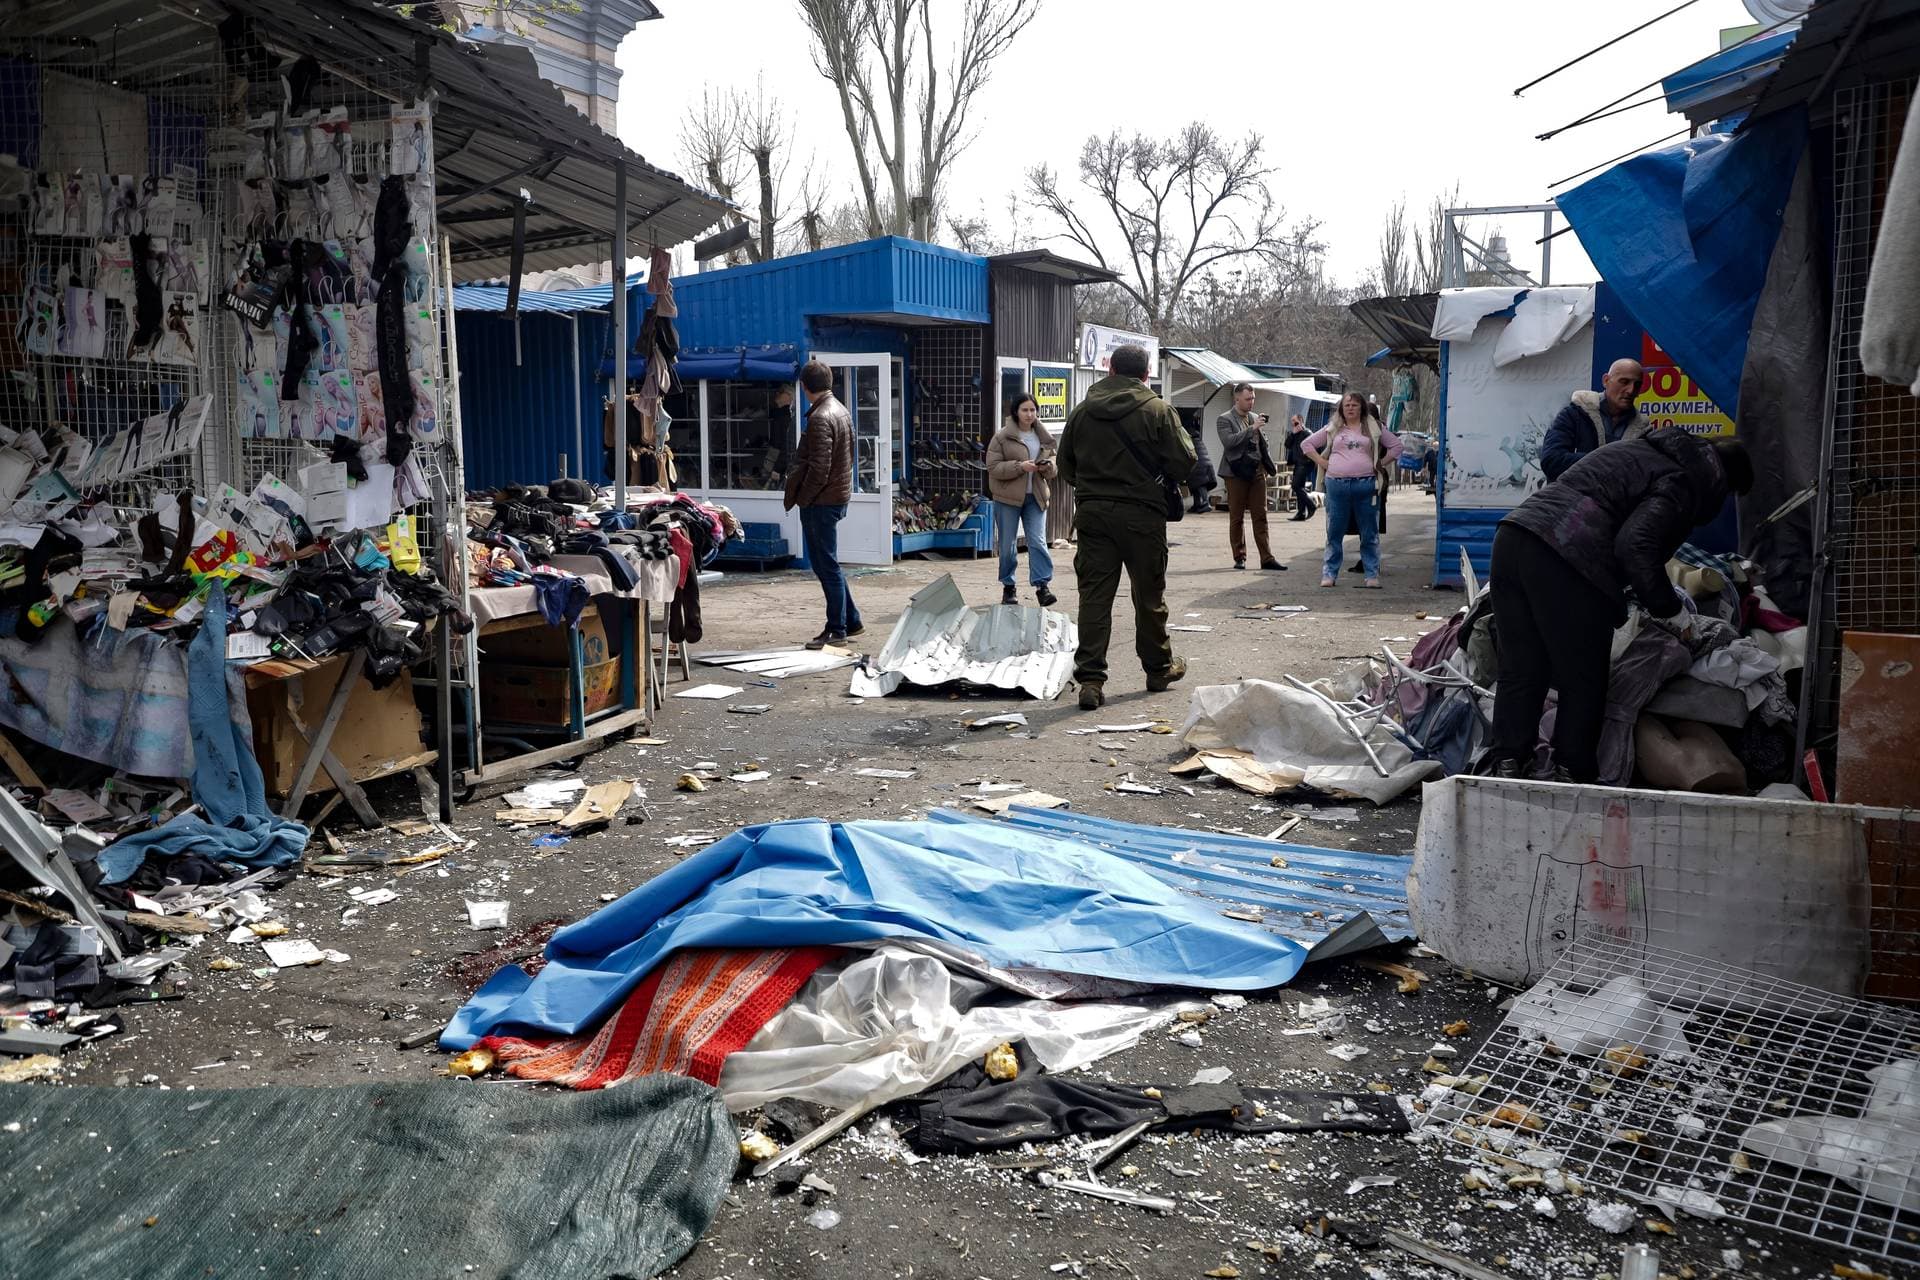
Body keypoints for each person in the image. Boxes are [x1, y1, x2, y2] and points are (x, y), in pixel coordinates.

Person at [1487, 429, 1754, 782]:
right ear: (1723, 480)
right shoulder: (1683, 481)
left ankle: (1507, 762)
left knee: (1522, 666)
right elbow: (1636, 546)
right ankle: (1572, 771)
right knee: (1582, 677)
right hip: (1567, 553)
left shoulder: (1645, 450)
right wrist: (1671, 610)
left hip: (1514, 537)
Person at [1056, 343, 1196, 711]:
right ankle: (1158, 669)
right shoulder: (1158, 410)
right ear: (1146, 375)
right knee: (1148, 596)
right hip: (1143, 517)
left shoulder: (1083, 412)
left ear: (1110, 371)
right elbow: (1185, 462)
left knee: (1095, 598)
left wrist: (1096, 488)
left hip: (1093, 515)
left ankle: (1090, 680)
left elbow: (1065, 466)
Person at [784, 360, 864, 650]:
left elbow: (819, 468)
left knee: (825, 564)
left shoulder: (820, 417)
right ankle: (851, 620)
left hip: (821, 501)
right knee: (830, 563)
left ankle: (837, 628)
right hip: (836, 496)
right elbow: (849, 455)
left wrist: (803, 498)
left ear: (804, 387)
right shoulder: (840, 410)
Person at [1303, 392, 1401, 588]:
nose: (1350, 408)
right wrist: (1322, 461)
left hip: (1366, 485)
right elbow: (1307, 444)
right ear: (1341, 408)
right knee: (1334, 531)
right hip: (1337, 485)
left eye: (1354, 405)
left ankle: (1371, 574)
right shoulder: (1333, 428)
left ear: (1361, 407)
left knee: (1369, 532)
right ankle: (1329, 574)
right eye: (1347, 405)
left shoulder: (1373, 427)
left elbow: (1396, 446)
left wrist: (1380, 464)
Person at [986, 392, 1058, 606]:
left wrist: (1048, 467)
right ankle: (1009, 587)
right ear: (1016, 412)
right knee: (1007, 544)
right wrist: (1020, 467)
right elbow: (993, 467)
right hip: (1007, 499)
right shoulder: (1001, 437)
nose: (1029, 414)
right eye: (1025, 410)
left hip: (1035, 497)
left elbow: (1054, 465)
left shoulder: (1043, 436)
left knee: (1037, 541)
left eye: (1033, 410)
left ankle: (1042, 587)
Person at [1540, 358, 1649, 481]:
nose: (1631, 390)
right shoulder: (1573, 415)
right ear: (1606, 381)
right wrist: (1607, 463)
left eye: (1637, 385)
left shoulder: (1644, 430)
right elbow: (1551, 461)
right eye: (1624, 382)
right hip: (1571, 498)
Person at [1215, 383, 1285, 571]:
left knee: (1260, 515)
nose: (1251, 402)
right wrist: (1251, 429)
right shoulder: (1225, 419)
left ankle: (1267, 557)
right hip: (1236, 472)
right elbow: (1229, 442)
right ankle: (1240, 556)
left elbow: (1261, 443)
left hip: (1256, 471)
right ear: (1237, 399)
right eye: (1248, 399)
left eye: (1253, 398)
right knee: (1236, 516)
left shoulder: (1255, 417)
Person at [1179, 408, 1216, 514]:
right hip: (1203, 463)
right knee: (1195, 486)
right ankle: (1197, 505)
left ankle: (1205, 504)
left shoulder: (1188, 435)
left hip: (1199, 464)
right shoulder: (1196, 434)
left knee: (1200, 485)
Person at [1284, 413, 1317, 520]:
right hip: (1298, 463)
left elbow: (1314, 446)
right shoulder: (1294, 434)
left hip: (1305, 463)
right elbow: (1287, 445)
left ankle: (1311, 504)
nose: (1293, 423)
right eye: (1292, 421)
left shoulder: (1307, 433)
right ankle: (1301, 513)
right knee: (1299, 487)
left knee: (1296, 486)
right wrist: (1293, 434)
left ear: (1301, 421)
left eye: (1295, 421)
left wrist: (1299, 431)